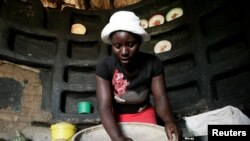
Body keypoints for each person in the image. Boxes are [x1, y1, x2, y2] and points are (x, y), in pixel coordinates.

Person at [96, 11, 180, 141]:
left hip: (144, 113)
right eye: (117, 46)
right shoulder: (105, 66)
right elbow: (104, 106)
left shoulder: (153, 63)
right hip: (115, 117)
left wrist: (170, 121)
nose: (124, 52)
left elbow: (161, 98)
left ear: (139, 42)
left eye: (130, 44)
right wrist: (117, 137)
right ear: (111, 45)